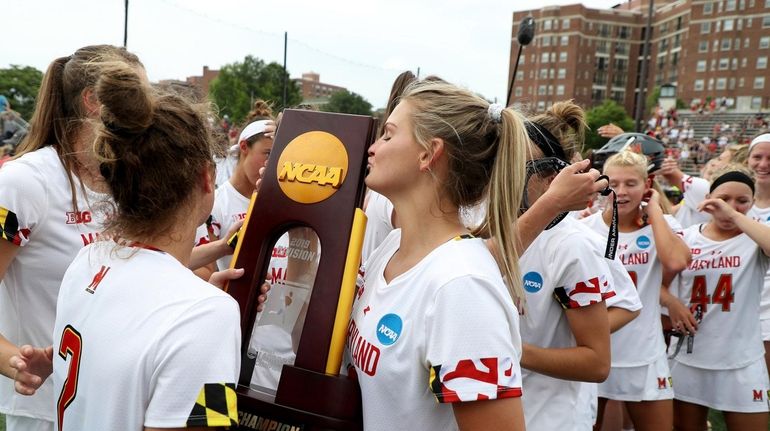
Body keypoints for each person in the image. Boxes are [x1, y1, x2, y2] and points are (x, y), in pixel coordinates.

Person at [10, 55, 241, 430]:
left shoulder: (87, 260)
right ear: (207, 178)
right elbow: (210, 425)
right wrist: (207, 314)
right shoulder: (209, 313)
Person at [346, 80, 528, 430]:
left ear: (428, 154)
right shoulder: (389, 249)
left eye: (387, 135)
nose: (372, 148)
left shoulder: (461, 286)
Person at [0, 45, 142, 431]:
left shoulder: (124, 181)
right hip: (46, 410)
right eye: (135, 97)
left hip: (115, 405)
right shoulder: (25, 182)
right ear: (93, 101)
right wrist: (16, 361)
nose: (147, 112)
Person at [518, 101, 641, 431]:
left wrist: (511, 348)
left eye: (515, 163)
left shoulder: (574, 244)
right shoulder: (483, 223)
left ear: (549, 177)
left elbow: (598, 359)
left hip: (549, 418)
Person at [582, 150, 691, 431]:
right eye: (614, 183)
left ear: (647, 185)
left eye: (631, 183)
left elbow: (676, 261)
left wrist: (654, 210)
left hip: (644, 354)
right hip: (595, 352)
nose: (621, 191)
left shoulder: (661, 225)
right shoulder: (584, 228)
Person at [668, 166, 770, 431]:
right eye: (724, 199)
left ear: (751, 204)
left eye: (742, 201)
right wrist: (672, 303)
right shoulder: (687, 237)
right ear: (709, 198)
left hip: (741, 358)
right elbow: (655, 285)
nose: (731, 206)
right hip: (690, 355)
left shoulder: (754, 237)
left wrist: (735, 216)